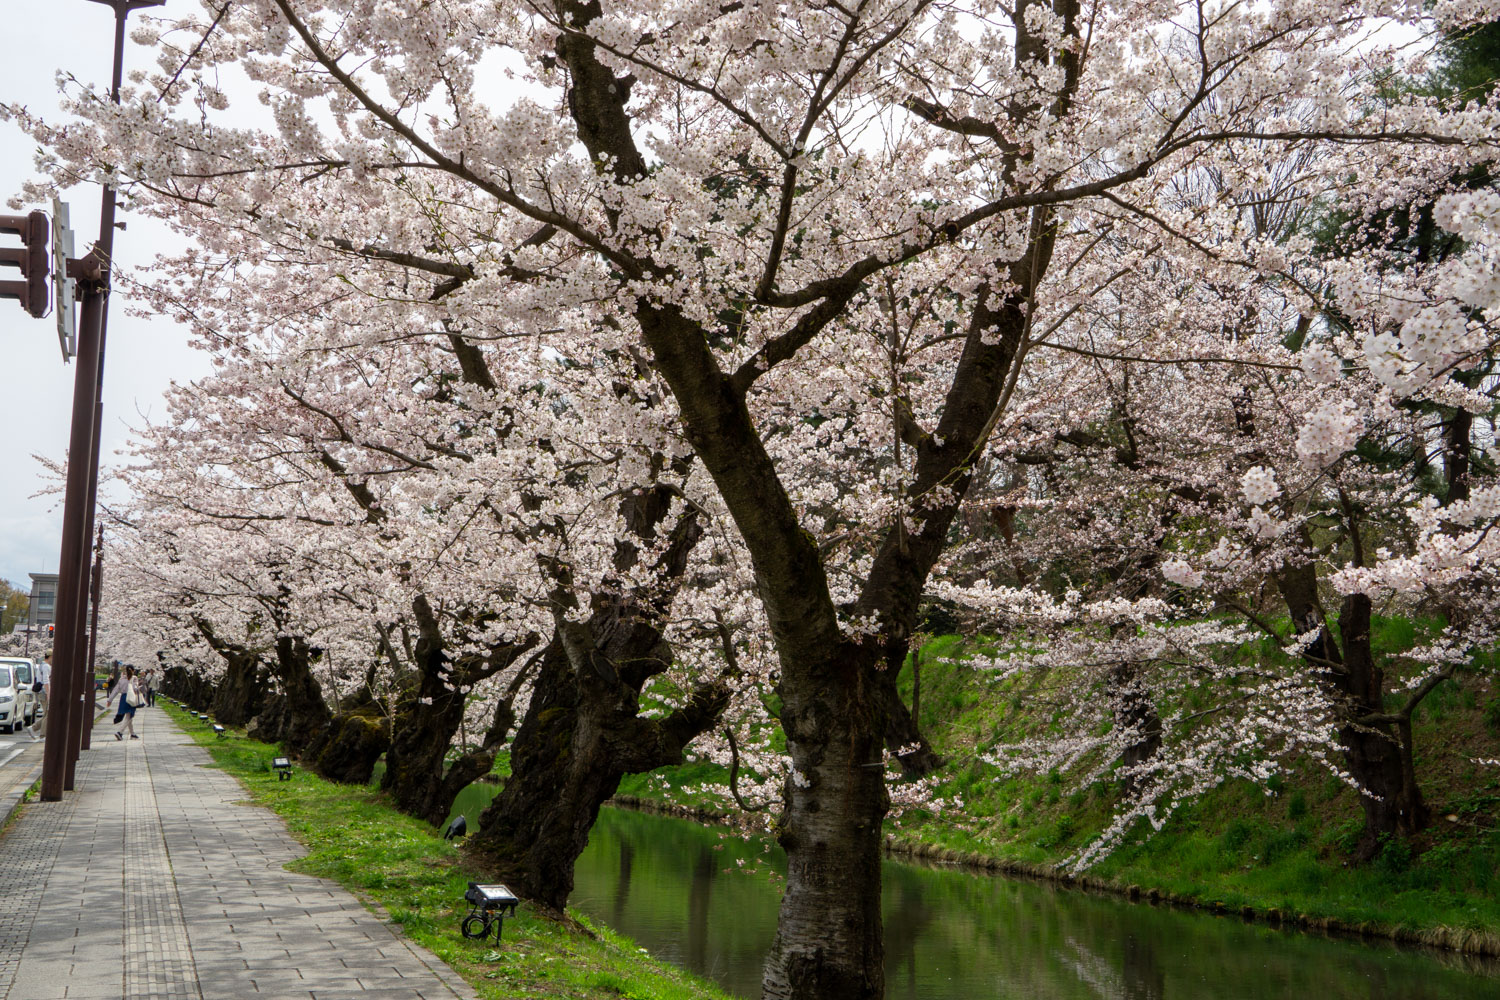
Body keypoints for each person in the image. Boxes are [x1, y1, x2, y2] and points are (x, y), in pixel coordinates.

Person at [106, 665, 144, 741]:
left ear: (126, 671)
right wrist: (140, 687)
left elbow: (116, 690)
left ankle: (132, 734)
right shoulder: (134, 678)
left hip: (123, 698)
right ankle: (120, 732)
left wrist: (110, 700)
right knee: (129, 716)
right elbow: (135, 688)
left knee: (128, 715)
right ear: (133, 671)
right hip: (131, 698)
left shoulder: (122, 679)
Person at [26, 656, 50, 743]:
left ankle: (33, 728)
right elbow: (46, 681)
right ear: (50, 657)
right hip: (45, 693)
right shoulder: (46, 666)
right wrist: (49, 694)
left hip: (42, 693)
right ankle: (43, 735)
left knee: (47, 714)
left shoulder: (41, 666)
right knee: (48, 714)